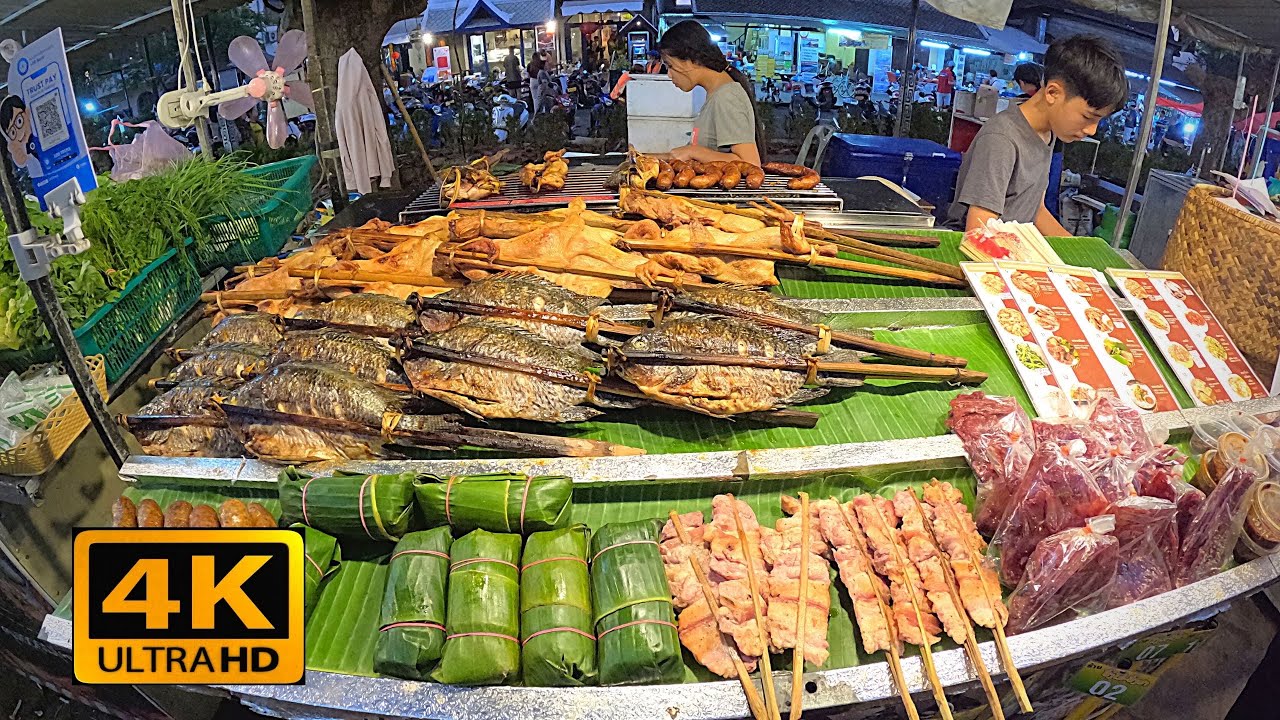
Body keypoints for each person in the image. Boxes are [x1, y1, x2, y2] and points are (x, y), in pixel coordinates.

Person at [948, 35, 1127, 236]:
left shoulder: (1047, 133)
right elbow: (979, 229)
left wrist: (1075, 250)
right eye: (1088, 116)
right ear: (1052, 93)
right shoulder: (1002, 138)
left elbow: (1036, 209)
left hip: (1011, 245)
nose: (1092, 130)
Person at [659, 20, 764, 166]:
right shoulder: (716, 94)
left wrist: (694, 152)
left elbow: (750, 163)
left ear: (692, 60)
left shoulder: (727, 97)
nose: (669, 75)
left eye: (670, 66)